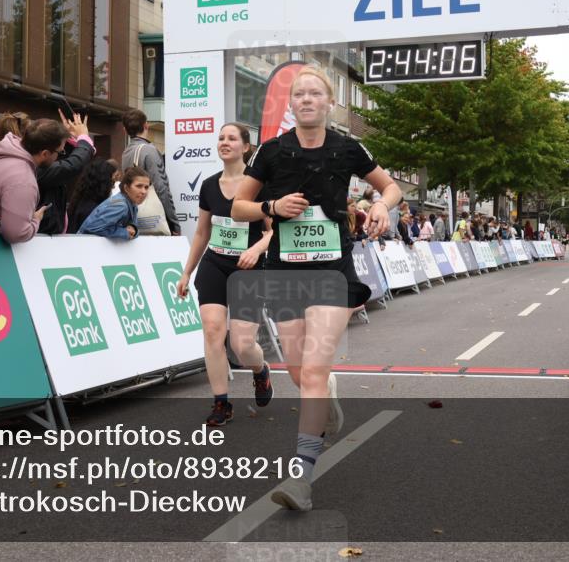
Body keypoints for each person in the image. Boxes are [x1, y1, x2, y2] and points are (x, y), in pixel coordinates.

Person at [232, 66, 399, 511]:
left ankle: (301, 477)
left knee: (315, 371)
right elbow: (238, 207)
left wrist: (381, 203)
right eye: (299, 94)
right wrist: (271, 205)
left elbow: (391, 187)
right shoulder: (270, 151)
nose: (306, 99)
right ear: (291, 105)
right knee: (298, 371)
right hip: (285, 272)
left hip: (332, 273)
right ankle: (327, 400)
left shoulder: (347, 148)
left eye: (314, 93)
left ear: (327, 103)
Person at [176, 123, 273, 426]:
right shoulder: (208, 185)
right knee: (213, 331)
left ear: (246, 147)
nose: (224, 142)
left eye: (232, 138)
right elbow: (203, 232)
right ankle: (222, 403)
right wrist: (186, 272)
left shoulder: (260, 186)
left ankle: (261, 371)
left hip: (249, 268)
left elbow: (275, 232)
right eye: (220, 138)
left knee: (242, 345)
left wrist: (256, 249)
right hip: (215, 264)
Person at [0, 118, 67, 243]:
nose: (58, 157)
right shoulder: (23, 181)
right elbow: (15, 234)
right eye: (60, 152)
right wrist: (36, 219)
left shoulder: (4, 151)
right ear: (45, 154)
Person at [36, 110, 95, 234]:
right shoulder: (39, 169)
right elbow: (72, 165)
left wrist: (70, 139)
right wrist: (83, 139)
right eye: (60, 149)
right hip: (41, 238)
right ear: (45, 153)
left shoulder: (43, 164)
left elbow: (64, 161)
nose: (61, 153)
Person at [121, 109, 179, 235]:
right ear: (146, 125)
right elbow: (161, 187)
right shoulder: (149, 151)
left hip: (132, 220)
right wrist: (174, 222)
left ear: (124, 130)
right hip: (154, 221)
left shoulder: (126, 153)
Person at [78, 166, 149, 239]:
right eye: (139, 186)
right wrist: (125, 233)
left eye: (146, 187)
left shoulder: (133, 204)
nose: (144, 191)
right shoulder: (120, 205)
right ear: (126, 188)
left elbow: (132, 231)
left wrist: (134, 230)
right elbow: (93, 228)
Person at [67, 158, 117, 232]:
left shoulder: (80, 202)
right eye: (112, 182)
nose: (114, 186)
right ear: (102, 183)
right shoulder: (93, 210)